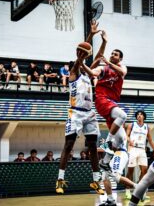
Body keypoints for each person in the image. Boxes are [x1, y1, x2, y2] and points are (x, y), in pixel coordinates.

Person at [56, 21, 103, 195]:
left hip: (90, 113)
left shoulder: (87, 74)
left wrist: (102, 41)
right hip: (75, 112)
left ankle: (95, 181)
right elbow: (81, 56)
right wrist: (90, 36)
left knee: (92, 147)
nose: (75, 64)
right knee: (69, 145)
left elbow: (97, 57)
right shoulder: (74, 72)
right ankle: (60, 180)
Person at [82, 28, 128, 172]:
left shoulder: (121, 67)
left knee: (121, 139)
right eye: (112, 53)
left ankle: (105, 162)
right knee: (123, 115)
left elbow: (122, 73)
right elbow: (92, 72)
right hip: (102, 100)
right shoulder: (103, 69)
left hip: (112, 103)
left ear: (119, 58)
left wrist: (108, 61)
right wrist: (83, 65)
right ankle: (107, 143)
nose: (113, 55)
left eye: (116, 54)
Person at [125, 110, 154, 199]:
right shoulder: (131, 125)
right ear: (136, 117)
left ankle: (139, 191)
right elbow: (126, 136)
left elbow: (150, 140)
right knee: (130, 170)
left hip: (142, 150)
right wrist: (129, 141)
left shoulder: (147, 127)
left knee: (144, 170)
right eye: (138, 114)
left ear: (144, 117)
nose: (139, 116)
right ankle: (127, 190)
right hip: (133, 149)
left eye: (141, 114)